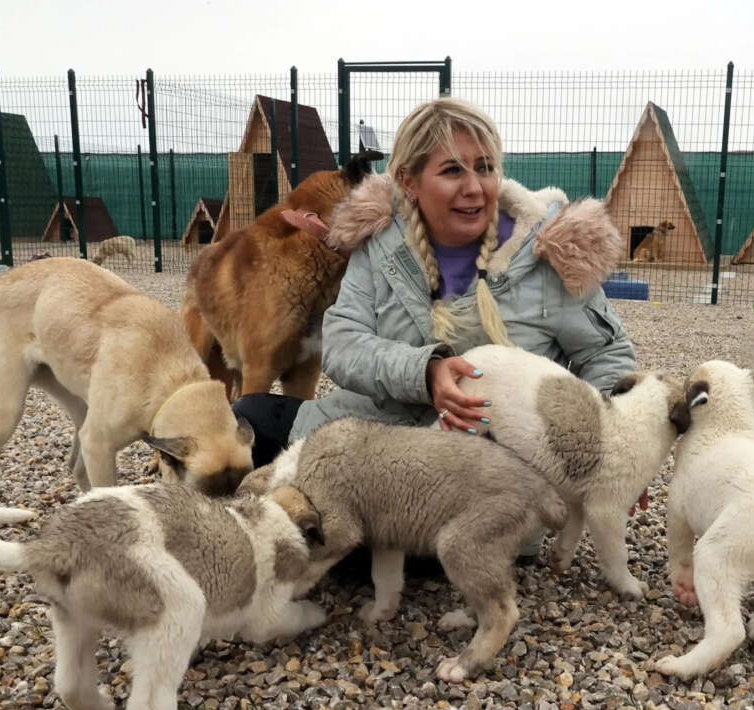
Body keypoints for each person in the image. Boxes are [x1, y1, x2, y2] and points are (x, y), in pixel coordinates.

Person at [233, 96, 636, 554]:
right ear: (408, 180)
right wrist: (424, 372)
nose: (474, 187)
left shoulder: (549, 252)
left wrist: (611, 451)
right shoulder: (381, 241)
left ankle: (299, 525)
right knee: (241, 423)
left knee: (329, 536)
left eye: (485, 167)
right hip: (373, 434)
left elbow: (608, 356)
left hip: (479, 476)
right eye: (452, 171)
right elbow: (343, 343)